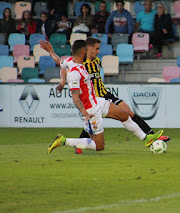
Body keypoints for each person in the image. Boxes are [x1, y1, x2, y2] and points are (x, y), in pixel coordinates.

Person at [40, 38, 170, 154]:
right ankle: (63, 141)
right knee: (99, 146)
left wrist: (50, 51)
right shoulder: (74, 73)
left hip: (98, 101)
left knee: (124, 114)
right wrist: (85, 114)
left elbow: (58, 61)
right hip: (91, 110)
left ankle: (146, 138)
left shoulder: (70, 61)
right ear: (84, 52)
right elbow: (75, 98)